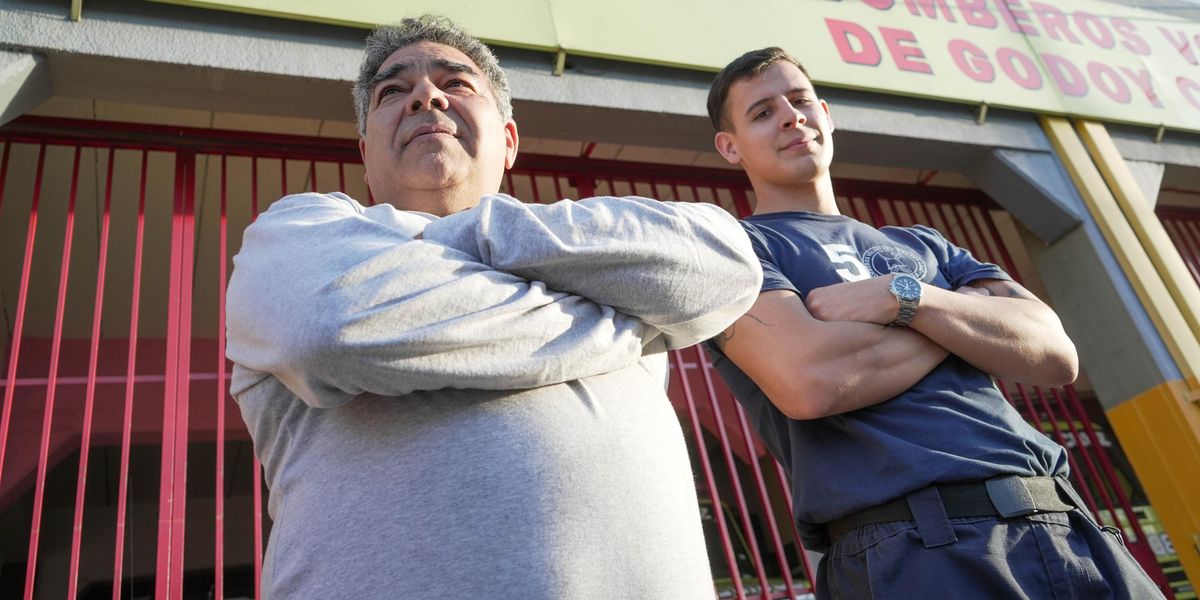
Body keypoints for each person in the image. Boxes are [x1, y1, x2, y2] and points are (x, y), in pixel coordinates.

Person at [224, 16, 762, 599]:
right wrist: (623, 324)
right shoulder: (301, 231)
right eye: (392, 91)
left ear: (508, 140)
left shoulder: (574, 241)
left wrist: (477, 229)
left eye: (456, 84)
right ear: (365, 152)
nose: (425, 96)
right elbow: (329, 327)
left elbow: (727, 264)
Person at [703, 46, 1165, 599]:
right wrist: (966, 325)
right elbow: (813, 380)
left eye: (800, 101)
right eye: (762, 112)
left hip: (1069, 526)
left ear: (825, 113)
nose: (791, 116)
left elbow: (1053, 352)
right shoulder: (734, 248)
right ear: (730, 146)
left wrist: (911, 299)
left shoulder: (924, 244)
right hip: (915, 547)